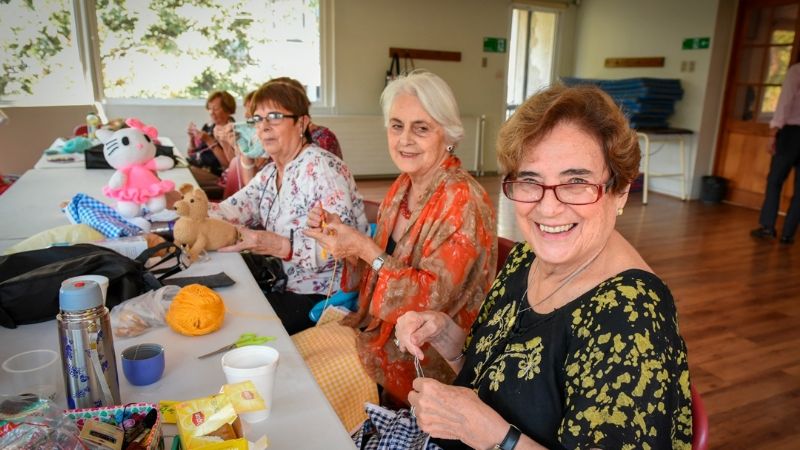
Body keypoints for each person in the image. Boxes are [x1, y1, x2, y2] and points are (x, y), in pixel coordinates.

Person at [387, 84, 692, 449]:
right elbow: (499, 377)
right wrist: (446, 338)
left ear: (621, 190)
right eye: (531, 181)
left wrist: (496, 437)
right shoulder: (526, 258)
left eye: (576, 182)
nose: (548, 209)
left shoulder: (630, 317)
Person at [304, 70, 497, 406]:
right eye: (397, 125)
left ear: (447, 135)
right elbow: (378, 268)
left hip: (421, 356)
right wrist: (344, 239)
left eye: (421, 128)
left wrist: (364, 246)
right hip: (374, 330)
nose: (404, 139)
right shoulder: (402, 186)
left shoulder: (463, 200)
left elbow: (430, 303)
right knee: (291, 359)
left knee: (301, 391)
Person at [208, 80, 369, 335]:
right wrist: (190, 212)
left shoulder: (322, 169)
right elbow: (232, 209)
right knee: (216, 301)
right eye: (257, 119)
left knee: (232, 326)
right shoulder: (271, 172)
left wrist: (272, 243)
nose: (264, 127)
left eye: (275, 116)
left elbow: (341, 247)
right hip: (283, 282)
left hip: (322, 296)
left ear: (302, 123)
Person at [751, 61, 800, 245]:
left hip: (791, 134)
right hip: (792, 132)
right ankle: (788, 234)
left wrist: (774, 132)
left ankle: (768, 227)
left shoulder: (796, 71)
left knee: (774, 181)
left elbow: (785, 102)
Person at [187, 90, 236, 199]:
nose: (211, 112)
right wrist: (191, 138)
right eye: (209, 108)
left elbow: (229, 165)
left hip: (217, 176)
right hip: (197, 167)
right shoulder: (209, 126)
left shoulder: (233, 131)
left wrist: (209, 141)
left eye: (215, 108)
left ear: (228, 110)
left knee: (184, 175)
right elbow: (191, 154)